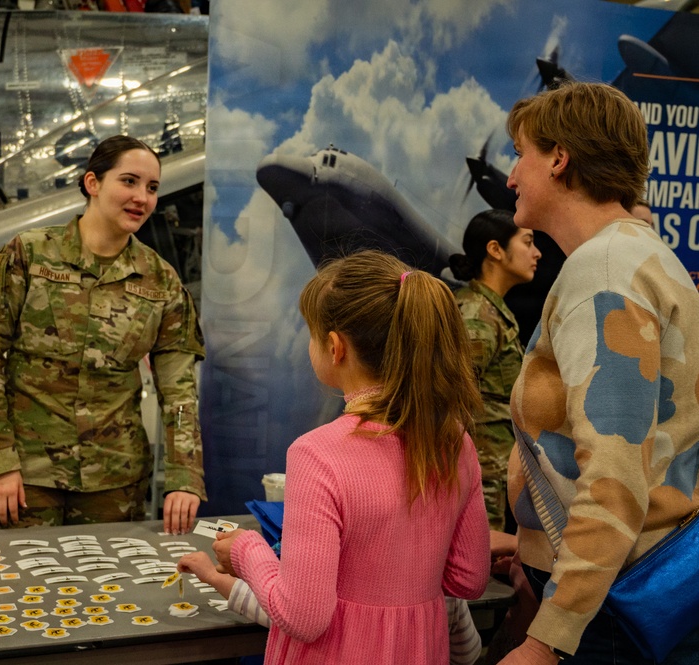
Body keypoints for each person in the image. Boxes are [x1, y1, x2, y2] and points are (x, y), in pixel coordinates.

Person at [499, 81, 699, 664]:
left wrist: (546, 639)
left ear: (559, 159)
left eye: (521, 153)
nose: (511, 176)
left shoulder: (605, 272)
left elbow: (614, 476)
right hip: (621, 582)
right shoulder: (639, 255)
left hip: (611, 606)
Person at [209, 250, 490, 664]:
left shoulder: (317, 454)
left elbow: (303, 616)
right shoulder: (454, 443)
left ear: (335, 347)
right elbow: (468, 579)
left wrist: (247, 550)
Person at [0, 135, 206, 535]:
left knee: (106, 579)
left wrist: (184, 476)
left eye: (152, 187)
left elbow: (179, 393)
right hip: (24, 479)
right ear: (93, 183)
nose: (141, 197)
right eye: (129, 181)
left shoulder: (161, 281)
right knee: (9, 576)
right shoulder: (29, 255)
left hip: (114, 486)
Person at [177, 551, 484, 665]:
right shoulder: (445, 594)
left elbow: (281, 611)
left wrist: (214, 576)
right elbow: (468, 653)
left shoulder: (340, 598)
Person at [449, 209, 541, 531]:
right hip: (478, 471)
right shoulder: (477, 316)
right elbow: (449, 396)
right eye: (527, 242)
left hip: (488, 469)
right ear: (495, 250)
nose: (537, 253)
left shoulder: (488, 310)